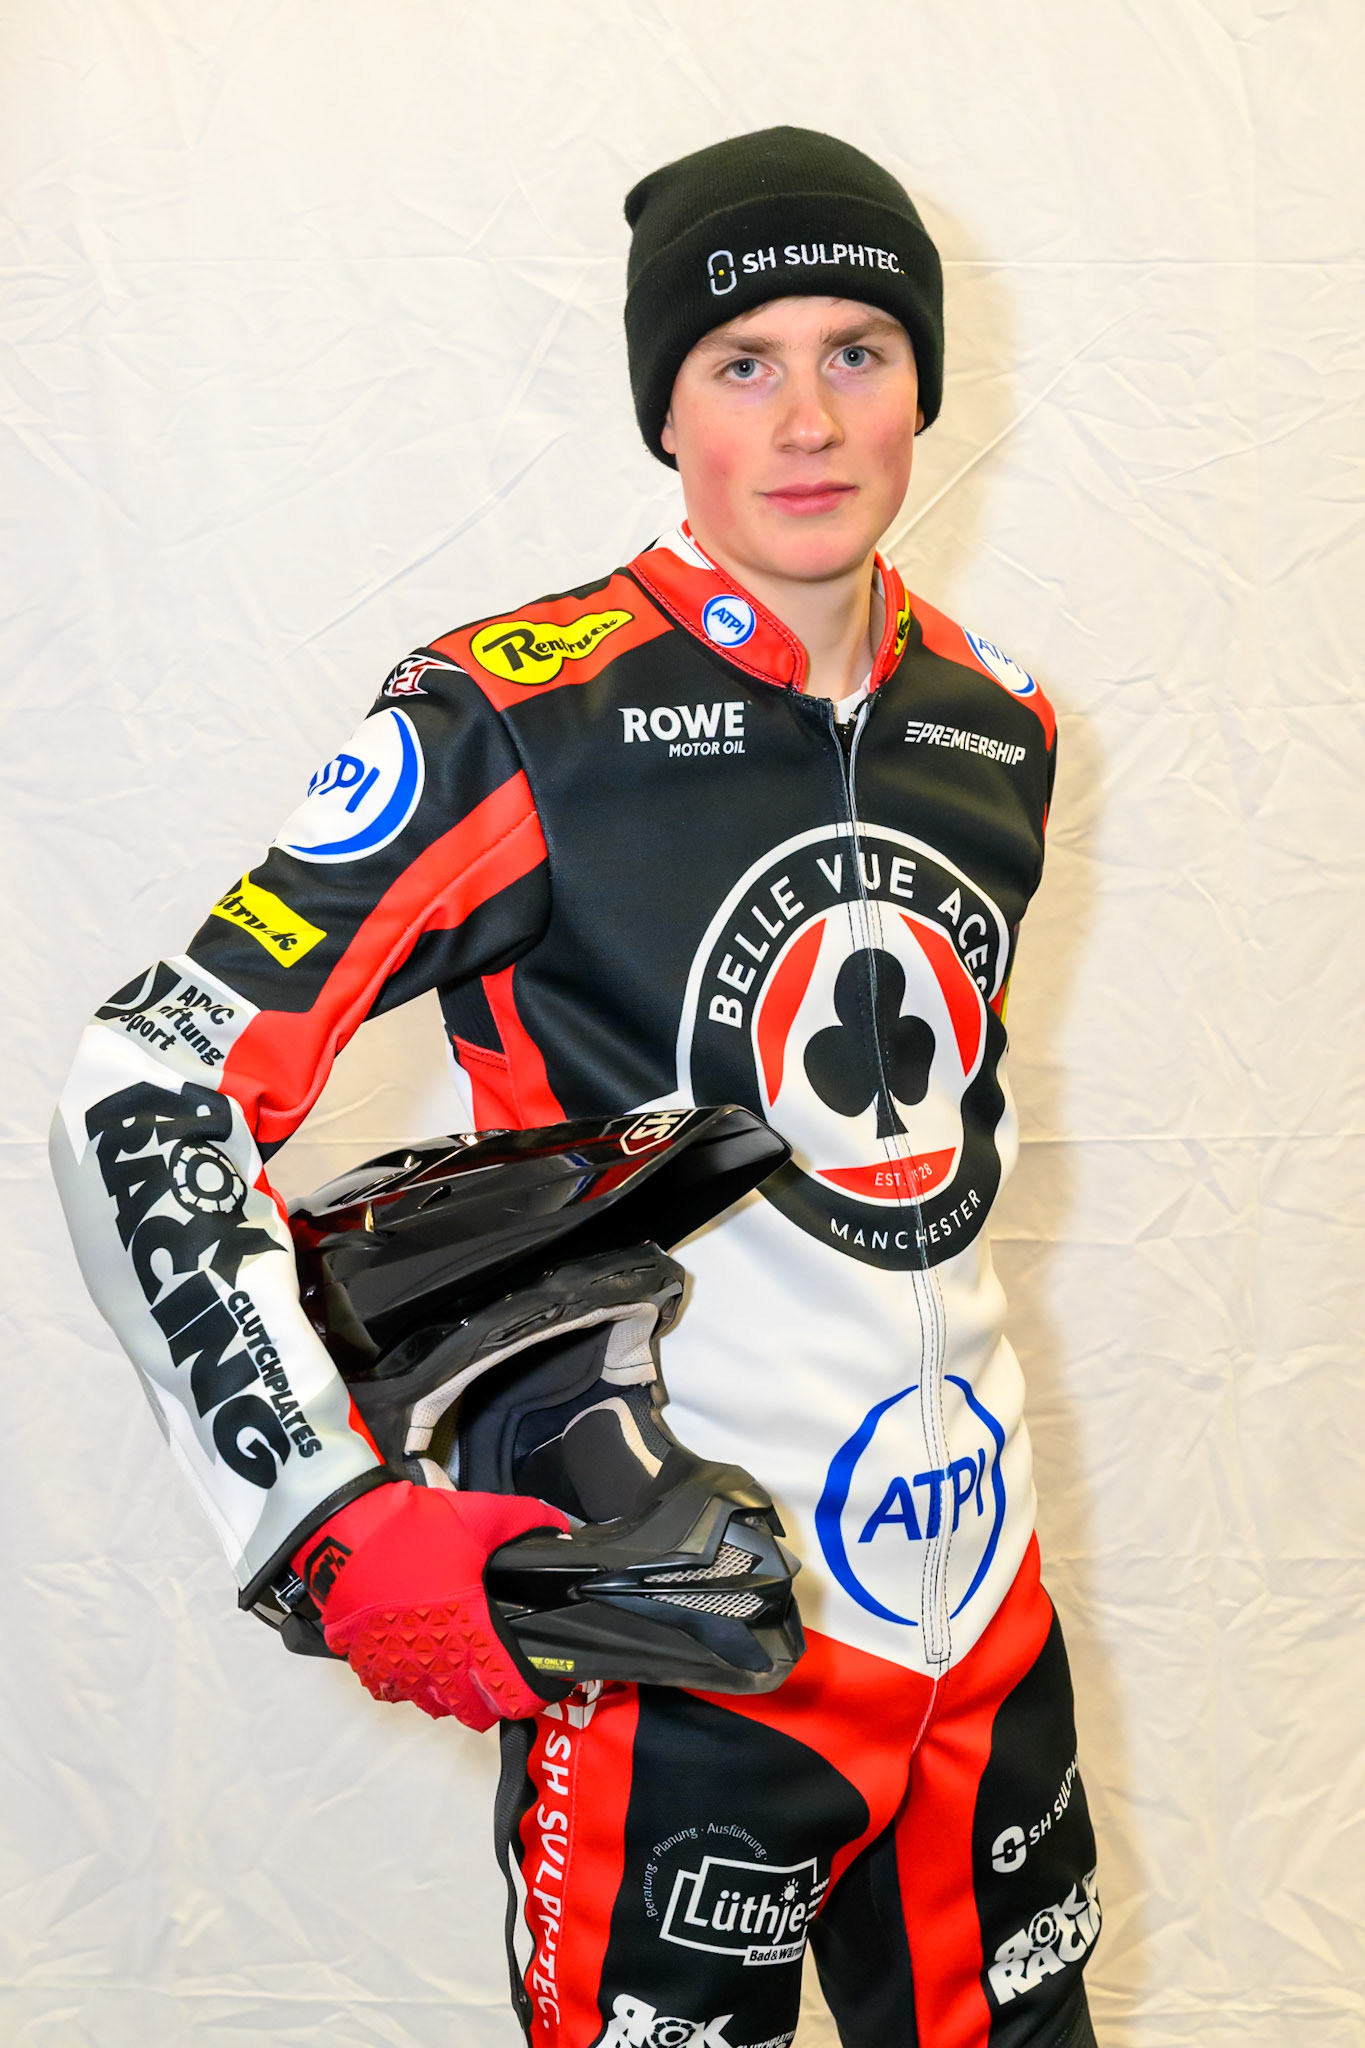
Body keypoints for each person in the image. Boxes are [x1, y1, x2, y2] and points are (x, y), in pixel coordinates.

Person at [52, 127, 1100, 2048]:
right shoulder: (520, 714)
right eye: (739, 362)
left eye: (856, 350)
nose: (804, 417)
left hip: (986, 1618)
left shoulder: (1002, 723)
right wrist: (320, 1515)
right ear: (665, 409)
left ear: (927, 388)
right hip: (685, 1635)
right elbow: (142, 1076)